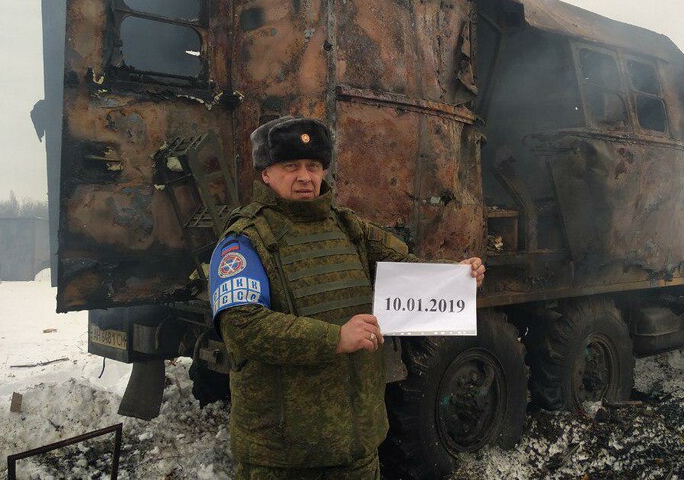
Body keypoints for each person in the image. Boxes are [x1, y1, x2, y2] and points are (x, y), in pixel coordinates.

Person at [208, 116, 485, 480]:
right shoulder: (244, 240)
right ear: (265, 174)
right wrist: (334, 338)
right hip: (284, 458)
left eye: (313, 166)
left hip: (357, 448)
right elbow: (243, 328)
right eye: (290, 167)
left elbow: (406, 270)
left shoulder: (348, 226)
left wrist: (456, 277)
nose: (305, 177)